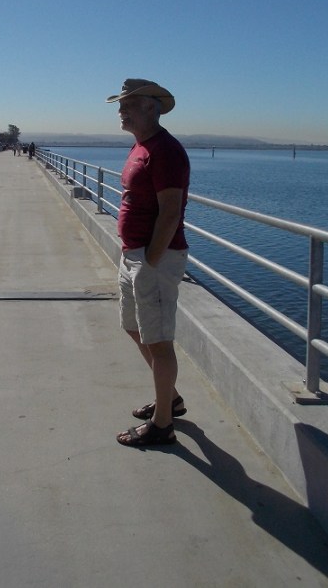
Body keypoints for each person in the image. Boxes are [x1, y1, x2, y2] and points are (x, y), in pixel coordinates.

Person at [106, 79, 190, 447]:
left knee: (158, 340)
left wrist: (150, 260)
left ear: (153, 108)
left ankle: (162, 425)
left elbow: (170, 211)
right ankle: (169, 399)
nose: (121, 110)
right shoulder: (141, 147)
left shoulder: (166, 151)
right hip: (134, 254)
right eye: (121, 104)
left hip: (152, 258)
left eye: (130, 103)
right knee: (134, 328)